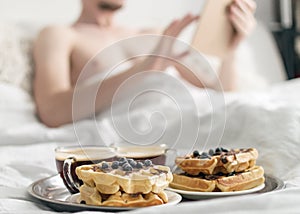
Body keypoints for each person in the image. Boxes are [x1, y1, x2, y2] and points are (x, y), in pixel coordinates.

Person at [33, 0, 257, 128]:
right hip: (138, 129)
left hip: (189, 118)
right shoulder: (60, 35)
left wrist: (231, 48)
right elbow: (52, 111)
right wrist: (145, 68)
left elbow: (222, 93)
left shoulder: (153, 34)